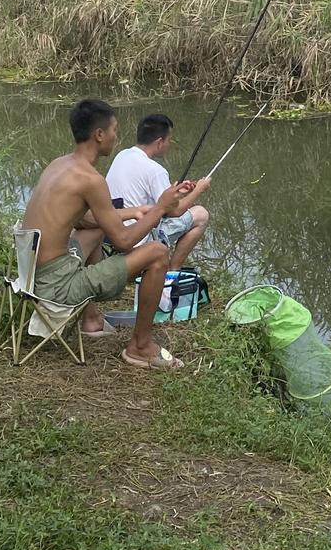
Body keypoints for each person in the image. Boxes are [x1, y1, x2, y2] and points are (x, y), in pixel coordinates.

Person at [21, 98, 195, 370]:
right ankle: (139, 347)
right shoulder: (91, 180)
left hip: (29, 274)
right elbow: (124, 241)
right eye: (114, 129)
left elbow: (85, 220)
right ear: (99, 135)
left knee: (96, 230)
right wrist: (160, 208)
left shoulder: (60, 165)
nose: (116, 136)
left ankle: (91, 322)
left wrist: (134, 212)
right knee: (158, 253)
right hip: (56, 287)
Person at [106, 114, 211, 285]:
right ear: (160, 142)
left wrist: (177, 189)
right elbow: (174, 212)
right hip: (137, 241)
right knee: (201, 214)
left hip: (114, 236)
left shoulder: (122, 155)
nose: (169, 144)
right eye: (169, 140)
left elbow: (159, 197)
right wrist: (199, 189)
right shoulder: (156, 170)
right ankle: (172, 272)